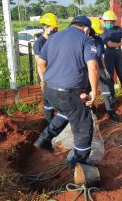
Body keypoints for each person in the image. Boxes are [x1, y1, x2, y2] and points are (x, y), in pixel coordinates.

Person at [33, 16, 99, 166]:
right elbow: (93, 67)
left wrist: (44, 81)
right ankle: (79, 163)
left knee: (66, 111)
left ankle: (44, 138)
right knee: (84, 125)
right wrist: (94, 92)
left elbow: (41, 62)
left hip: (50, 89)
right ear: (86, 29)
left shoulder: (54, 38)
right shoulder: (85, 39)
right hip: (68, 92)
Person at [33, 13, 64, 126]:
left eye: (56, 28)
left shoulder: (53, 40)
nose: (55, 30)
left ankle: (55, 124)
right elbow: (39, 64)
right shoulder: (39, 43)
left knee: (56, 100)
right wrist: (43, 80)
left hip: (54, 75)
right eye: (53, 28)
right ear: (45, 27)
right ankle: (48, 124)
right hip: (46, 76)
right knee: (48, 102)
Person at [89, 17, 120, 122]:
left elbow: (101, 56)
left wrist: (105, 69)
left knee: (106, 89)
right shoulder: (84, 41)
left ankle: (111, 111)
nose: (97, 35)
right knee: (89, 90)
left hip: (100, 67)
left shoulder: (99, 40)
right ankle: (92, 112)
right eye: (95, 33)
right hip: (87, 69)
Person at [100, 10, 122, 101]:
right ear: (104, 21)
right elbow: (110, 44)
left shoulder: (118, 28)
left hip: (118, 54)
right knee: (109, 76)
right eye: (107, 22)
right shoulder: (103, 30)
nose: (109, 23)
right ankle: (112, 97)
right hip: (109, 54)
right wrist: (121, 44)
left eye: (111, 22)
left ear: (114, 21)